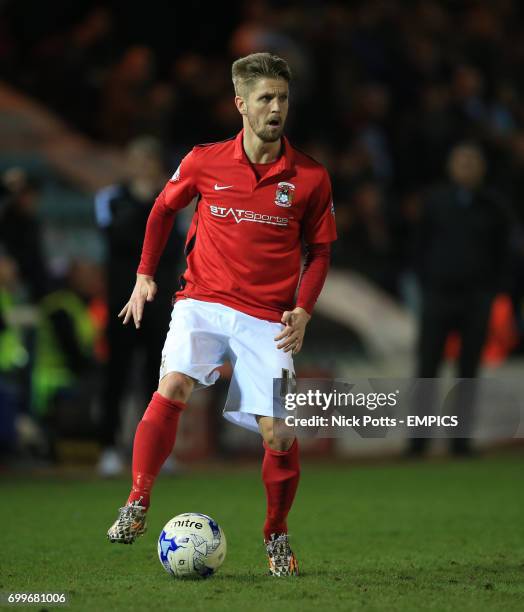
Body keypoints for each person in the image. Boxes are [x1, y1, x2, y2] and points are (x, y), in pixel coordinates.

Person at [106, 52, 337, 576]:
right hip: (202, 300)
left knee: (279, 435)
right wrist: (145, 274)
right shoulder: (203, 161)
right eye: (265, 99)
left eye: (282, 98)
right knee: (174, 388)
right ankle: (138, 501)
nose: (276, 108)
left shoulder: (311, 177)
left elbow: (320, 251)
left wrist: (303, 309)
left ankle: (276, 533)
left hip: (267, 316)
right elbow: (163, 208)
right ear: (241, 104)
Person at [409, 143, 510, 457]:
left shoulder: (494, 207)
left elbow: (505, 255)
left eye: (472, 162)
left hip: (475, 300)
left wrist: (493, 292)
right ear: (450, 167)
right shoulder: (435, 203)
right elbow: (417, 246)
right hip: (438, 296)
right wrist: (426, 284)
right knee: (427, 369)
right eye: (461, 162)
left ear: (482, 168)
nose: (466, 168)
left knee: (468, 372)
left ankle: (460, 442)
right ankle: (417, 444)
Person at [95, 136, 181, 477]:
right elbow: (117, 238)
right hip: (121, 301)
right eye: (137, 159)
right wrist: (150, 207)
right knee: (115, 375)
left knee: (157, 378)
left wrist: (156, 204)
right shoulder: (111, 198)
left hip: (158, 302)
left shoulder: (173, 198)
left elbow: (175, 247)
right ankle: (108, 448)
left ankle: (157, 452)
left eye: (148, 160)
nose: (142, 166)